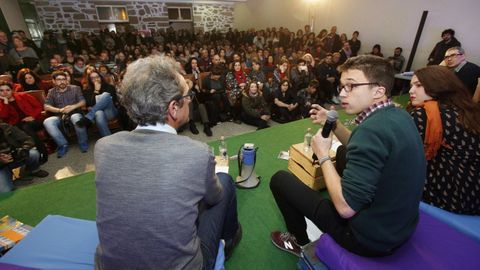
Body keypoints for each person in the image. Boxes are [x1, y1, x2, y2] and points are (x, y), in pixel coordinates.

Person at [270, 55, 426, 257]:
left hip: (368, 239)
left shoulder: (372, 131)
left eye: (351, 86)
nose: (342, 93)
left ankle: (299, 242)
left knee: (280, 180)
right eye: (342, 86)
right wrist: (334, 124)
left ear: (379, 90)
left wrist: (323, 155)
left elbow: (346, 209)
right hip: (400, 226)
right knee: (344, 152)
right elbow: (363, 147)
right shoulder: (398, 113)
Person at [94, 55, 241, 269]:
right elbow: (214, 197)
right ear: (173, 108)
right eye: (187, 94)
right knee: (225, 181)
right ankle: (228, 240)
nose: (191, 99)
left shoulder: (103, 147)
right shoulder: (197, 152)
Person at [408, 65, 480, 215]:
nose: (411, 91)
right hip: (474, 193)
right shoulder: (467, 110)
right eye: (411, 85)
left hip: (448, 195)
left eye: (418, 85)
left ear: (438, 86)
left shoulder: (424, 114)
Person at [0, 81, 48, 163]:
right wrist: (5, 102)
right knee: (23, 128)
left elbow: (39, 106)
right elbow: (4, 117)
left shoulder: (23, 95)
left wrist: (32, 116)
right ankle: (34, 154)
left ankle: (42, 152)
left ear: (12, 90)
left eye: (7, 90)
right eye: (1, 90)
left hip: (34, 120)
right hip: (17, 126)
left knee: (26, 127)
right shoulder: (2, 103)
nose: (5, 93)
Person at [43, 70, 87, 158]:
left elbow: (83, 102)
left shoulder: (75, 88)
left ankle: (82, 142)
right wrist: (60, 110)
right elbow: (46, 106)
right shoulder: (51, 92)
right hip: (60, 116)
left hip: (75, 112)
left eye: (63, 79)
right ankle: (63, 144)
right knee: (47, 121)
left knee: (75, 117)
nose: (62, 81)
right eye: (59, 79)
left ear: (66, 80)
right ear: (54, 81)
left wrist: (72, 107)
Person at [0, 122, 48, 193]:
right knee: (4, 192)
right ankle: (7, 176)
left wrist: (23, 150)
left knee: (33, 154)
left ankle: (34, 170)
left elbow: (27, 139)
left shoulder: (6, 127)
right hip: (1, 167)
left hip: (16, 156)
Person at [76, 71, 118, 138]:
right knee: (98, 112)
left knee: (106, 95)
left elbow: (113, 101)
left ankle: (88, 117)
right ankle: (108, 139)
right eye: (92, 78)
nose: (96, 79)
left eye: (97, 77)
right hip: (96, 114)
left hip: (110, 112)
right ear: (90, 80)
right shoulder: (86, 91)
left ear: (101, 77)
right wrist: (96, 91)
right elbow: (90, 104)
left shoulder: (110, 87)